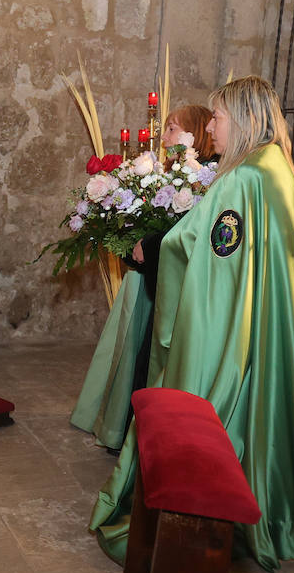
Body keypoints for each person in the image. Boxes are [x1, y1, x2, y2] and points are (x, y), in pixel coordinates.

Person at [89, 76, 294, 572]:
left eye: (216, 117)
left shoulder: (243, 179)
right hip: (265, 326)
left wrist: (157, 249)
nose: (210, 128)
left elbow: (209, 253)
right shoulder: (277, 168)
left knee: (196, 412)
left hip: (229, 327)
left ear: (240, 118)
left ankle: (193, 521)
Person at [70, 104, 215, 450]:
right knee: (134, 353)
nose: (164, 138)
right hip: (149, 276)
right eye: (164, 129)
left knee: (151, 359)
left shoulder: (202, 178)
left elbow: (184, 231)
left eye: (172, 129)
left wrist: (147, 245)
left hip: (169, 283)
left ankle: (138, 438)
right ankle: (124, 428)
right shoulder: (171, 174)